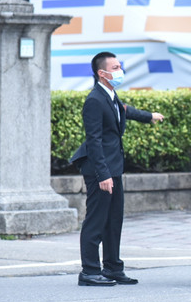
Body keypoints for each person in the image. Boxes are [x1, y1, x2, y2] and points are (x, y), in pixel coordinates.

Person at [70, 51, 164, 286]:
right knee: (96, 220)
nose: (119, 71)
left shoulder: (110, 95)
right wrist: (103, 175)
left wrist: (149, 116)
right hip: (99, 170)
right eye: (115, 67)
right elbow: (94, 140)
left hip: (114, 168)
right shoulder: (94, 100)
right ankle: (90, 271)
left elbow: (124, 110)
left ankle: (112, 268)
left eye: (119, 66)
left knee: (114, 220)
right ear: (102, 74)